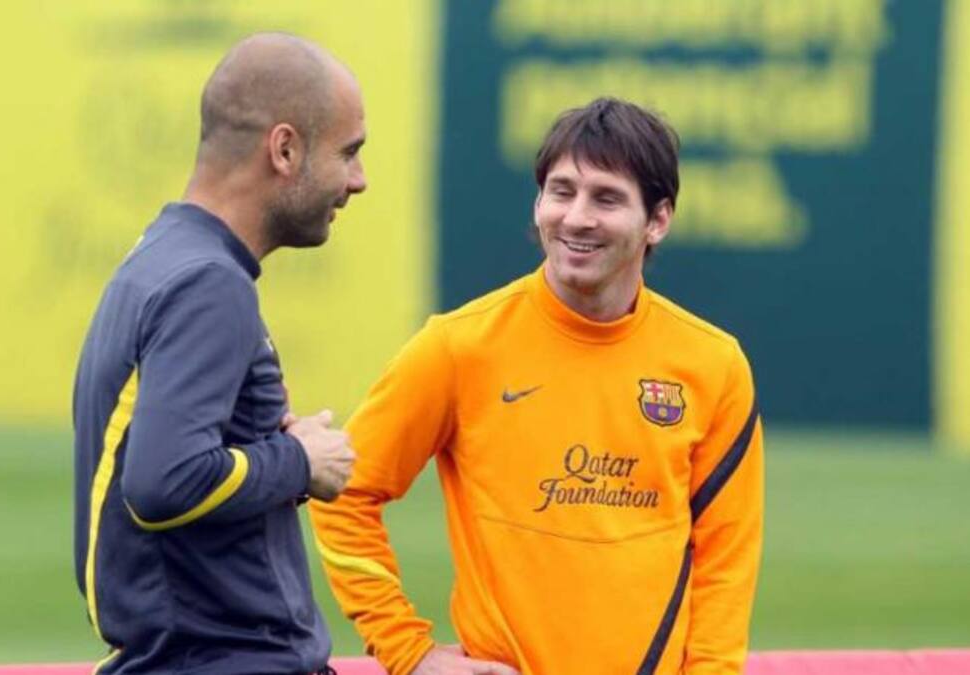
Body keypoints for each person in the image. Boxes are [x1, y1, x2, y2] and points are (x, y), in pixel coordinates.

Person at [309, 97, 764, 675]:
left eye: (607, 198)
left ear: (658, 220)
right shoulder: (459, 345)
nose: (576, 217)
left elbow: (726, 559)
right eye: (561, 191)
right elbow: (344, 492)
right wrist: (410, 653)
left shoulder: (713, 365)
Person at [72, 32, 366, 674]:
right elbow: (162, 482)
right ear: (285, 149)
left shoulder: (162, 256)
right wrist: (296, 462)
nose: (359, 181)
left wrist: (267, 449)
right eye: (349, 153)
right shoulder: (210, 282)